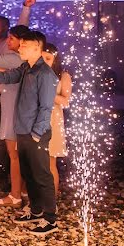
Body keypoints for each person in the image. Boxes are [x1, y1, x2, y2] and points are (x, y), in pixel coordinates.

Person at [0, 30, 59, 236]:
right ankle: (35, 210)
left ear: (36, 47)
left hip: (34, 134)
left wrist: (37, 134)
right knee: (30, 174)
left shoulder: (45, 74)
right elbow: (6, 77)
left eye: (24, 45)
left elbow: (46, 107)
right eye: (20, 44)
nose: (19, 48)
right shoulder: (25, 68)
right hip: (22, 130)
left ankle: (50, 219)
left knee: (42, 175)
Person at [43, 43, 71, 197]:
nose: (44, 61)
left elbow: (66, 101)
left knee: (50, 162)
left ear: (55, 59)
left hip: (53, 120)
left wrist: (48, 94)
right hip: (35, 120)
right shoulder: (34, 74)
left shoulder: (63, 75)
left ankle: (50, 202)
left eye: (48, 58)